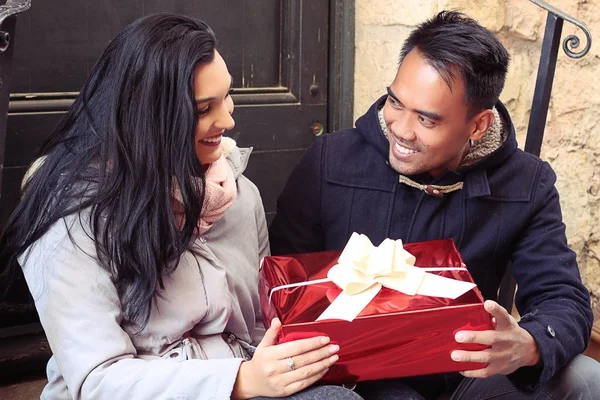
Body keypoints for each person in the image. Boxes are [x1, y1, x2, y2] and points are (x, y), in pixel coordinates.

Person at [0, 13, 362, 400]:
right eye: (204, 109)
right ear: (149, 118)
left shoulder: (238, 194)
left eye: (227, 96)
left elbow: (258, 328)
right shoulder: (72, 218)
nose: (228, 118)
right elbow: (98, 380)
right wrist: (239, 381)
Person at [269, 11, 600, 400]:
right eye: (396, 102)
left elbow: (562, 296)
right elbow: (284, 288)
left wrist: (528, 344)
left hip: (464, 379)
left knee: (586, 378)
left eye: (427, 119)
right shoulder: (329, 161)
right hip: (352, 382)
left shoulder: (527, 182)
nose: (401, 129)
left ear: (478, 126)